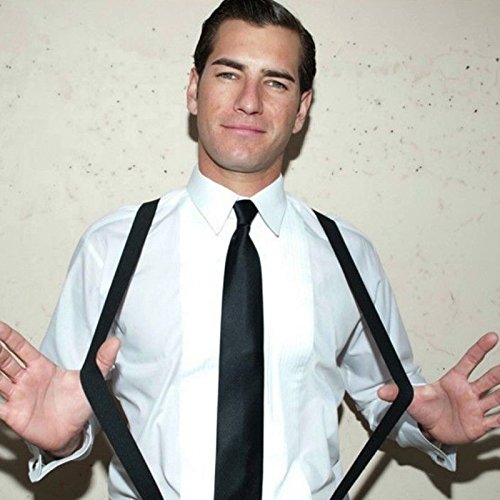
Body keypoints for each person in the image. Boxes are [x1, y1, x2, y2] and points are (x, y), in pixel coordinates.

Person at [0, 0, 499, 498]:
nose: (249, 101)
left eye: (275, 82)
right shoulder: (111, 247)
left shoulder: (348, 255)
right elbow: (64, 409)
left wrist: (432, 424)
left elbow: (388, 396)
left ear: (301, 109)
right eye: (228, 74)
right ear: (193, 89)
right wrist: (58, 441)